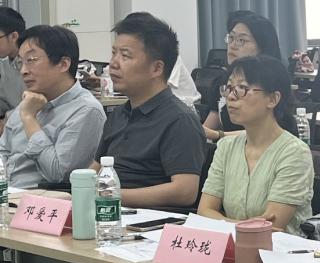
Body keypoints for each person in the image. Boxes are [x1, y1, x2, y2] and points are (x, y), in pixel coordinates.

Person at [92, 13, 205, 209]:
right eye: (114, 53)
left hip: (148, 219)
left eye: (125, 56)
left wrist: (110, 195)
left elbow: (185, 191)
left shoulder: (179, 119)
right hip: (109, 210)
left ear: (156, 68)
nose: (113, 63)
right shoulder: (118, 114)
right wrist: (78, 191)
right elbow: (96, 170)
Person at [198, 55, 313, 235]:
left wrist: (222, 221)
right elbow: (204, 211)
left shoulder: (294, 153)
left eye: (242, 88)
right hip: (231, 244)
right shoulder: (226, 147)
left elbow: (271, 228)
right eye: (229, 88)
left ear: (272, 99)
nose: (230, 96)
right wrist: (243, 225)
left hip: (280, 249)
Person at [0, 25, 105, 188]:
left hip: (42, 198)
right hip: (9, 193)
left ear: (63, 64)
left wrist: (29, 119)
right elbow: (3, 151)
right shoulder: (30, 101)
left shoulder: (86, 110)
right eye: (21, 62)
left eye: (31, 60)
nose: (23, 71)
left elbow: (57, 174)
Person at [202, 11, 282, 141]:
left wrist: (218, 135)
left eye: (241, 40)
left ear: (261, 47)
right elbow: (208, 128)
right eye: (231, 38)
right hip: (229, 149)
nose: (232, 45)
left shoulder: (273, 82)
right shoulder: (221, 81)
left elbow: (270, 132)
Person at [0, 7, 25, 125]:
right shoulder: (4, 64)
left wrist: (7, 119)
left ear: (14, 36)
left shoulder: (34, 65)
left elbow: (38, 106)